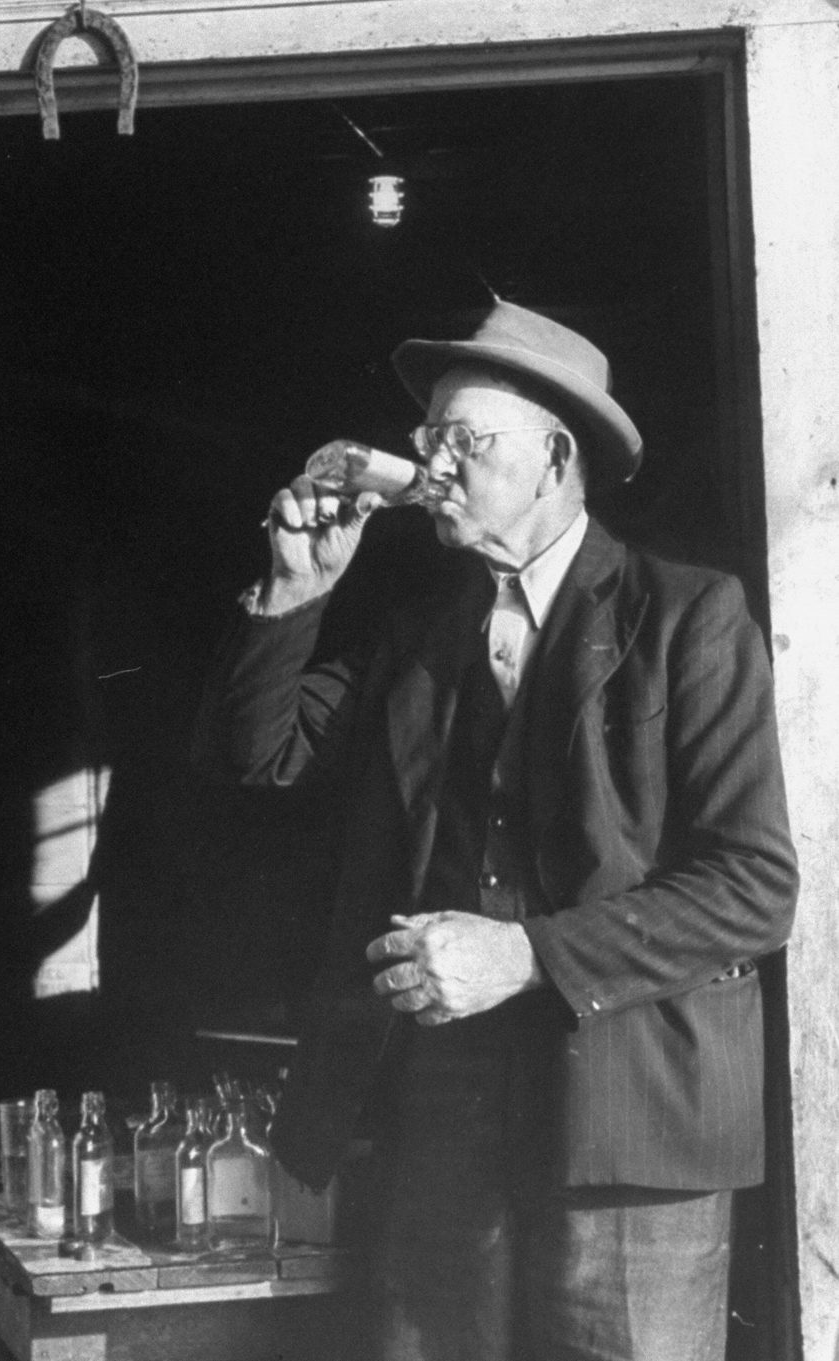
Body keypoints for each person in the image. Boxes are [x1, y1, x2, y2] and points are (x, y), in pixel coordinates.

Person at [192, 300, 798, 1361]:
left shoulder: (690, 615)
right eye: (426, 441)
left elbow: (754, 885)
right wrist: (295, 590)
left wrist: (525, 952)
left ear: (556, 457)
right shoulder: (423, 634)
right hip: (446, 1115)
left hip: (634, 1129)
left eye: (463, 441)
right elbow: (262, 758)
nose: (431, 465)